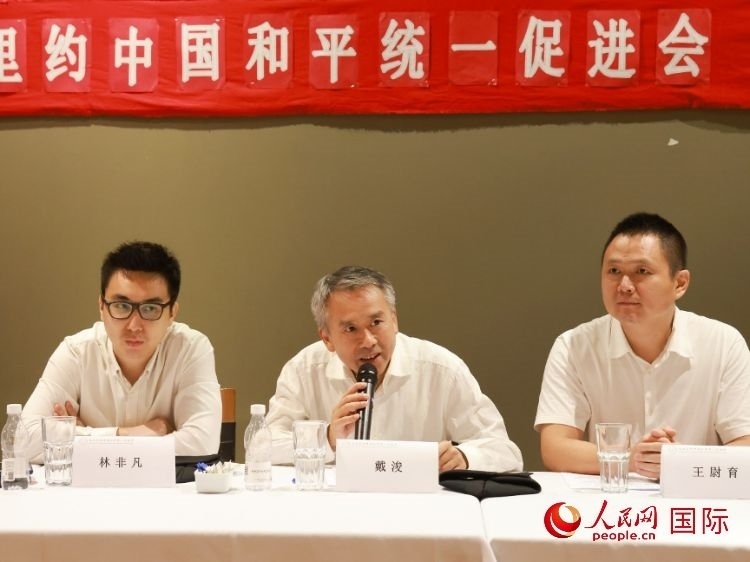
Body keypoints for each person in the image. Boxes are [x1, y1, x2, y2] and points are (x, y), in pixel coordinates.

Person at [535, 212, 750, 479]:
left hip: (693, 500)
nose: (624, 286)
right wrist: (632, 457)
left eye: (642, 272)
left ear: (680, 283)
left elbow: (746, 445)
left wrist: (680, 460)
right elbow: (556, 448)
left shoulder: (724, 344)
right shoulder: (573, 346)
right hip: (609, 500)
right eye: (614, 271)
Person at [266, 265, 523, 473]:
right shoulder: (303, 370)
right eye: (351, 329)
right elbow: (263, 446)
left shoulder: (442, 370)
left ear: (395, 320)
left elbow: (505, 451)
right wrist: (327, 438)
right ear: (327, 339)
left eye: (376, 322)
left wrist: (464, 457)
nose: (368, 341)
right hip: (336, 509)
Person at [22, 241, 221, 464]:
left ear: (172, 312)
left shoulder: (190, 349)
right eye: (121, 306)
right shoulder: (77, 352)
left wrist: (82, 437)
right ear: (101, 306)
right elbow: (23, 441)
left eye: (151, 309)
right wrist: (132, 434)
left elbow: (202, 444)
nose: (134, 326)